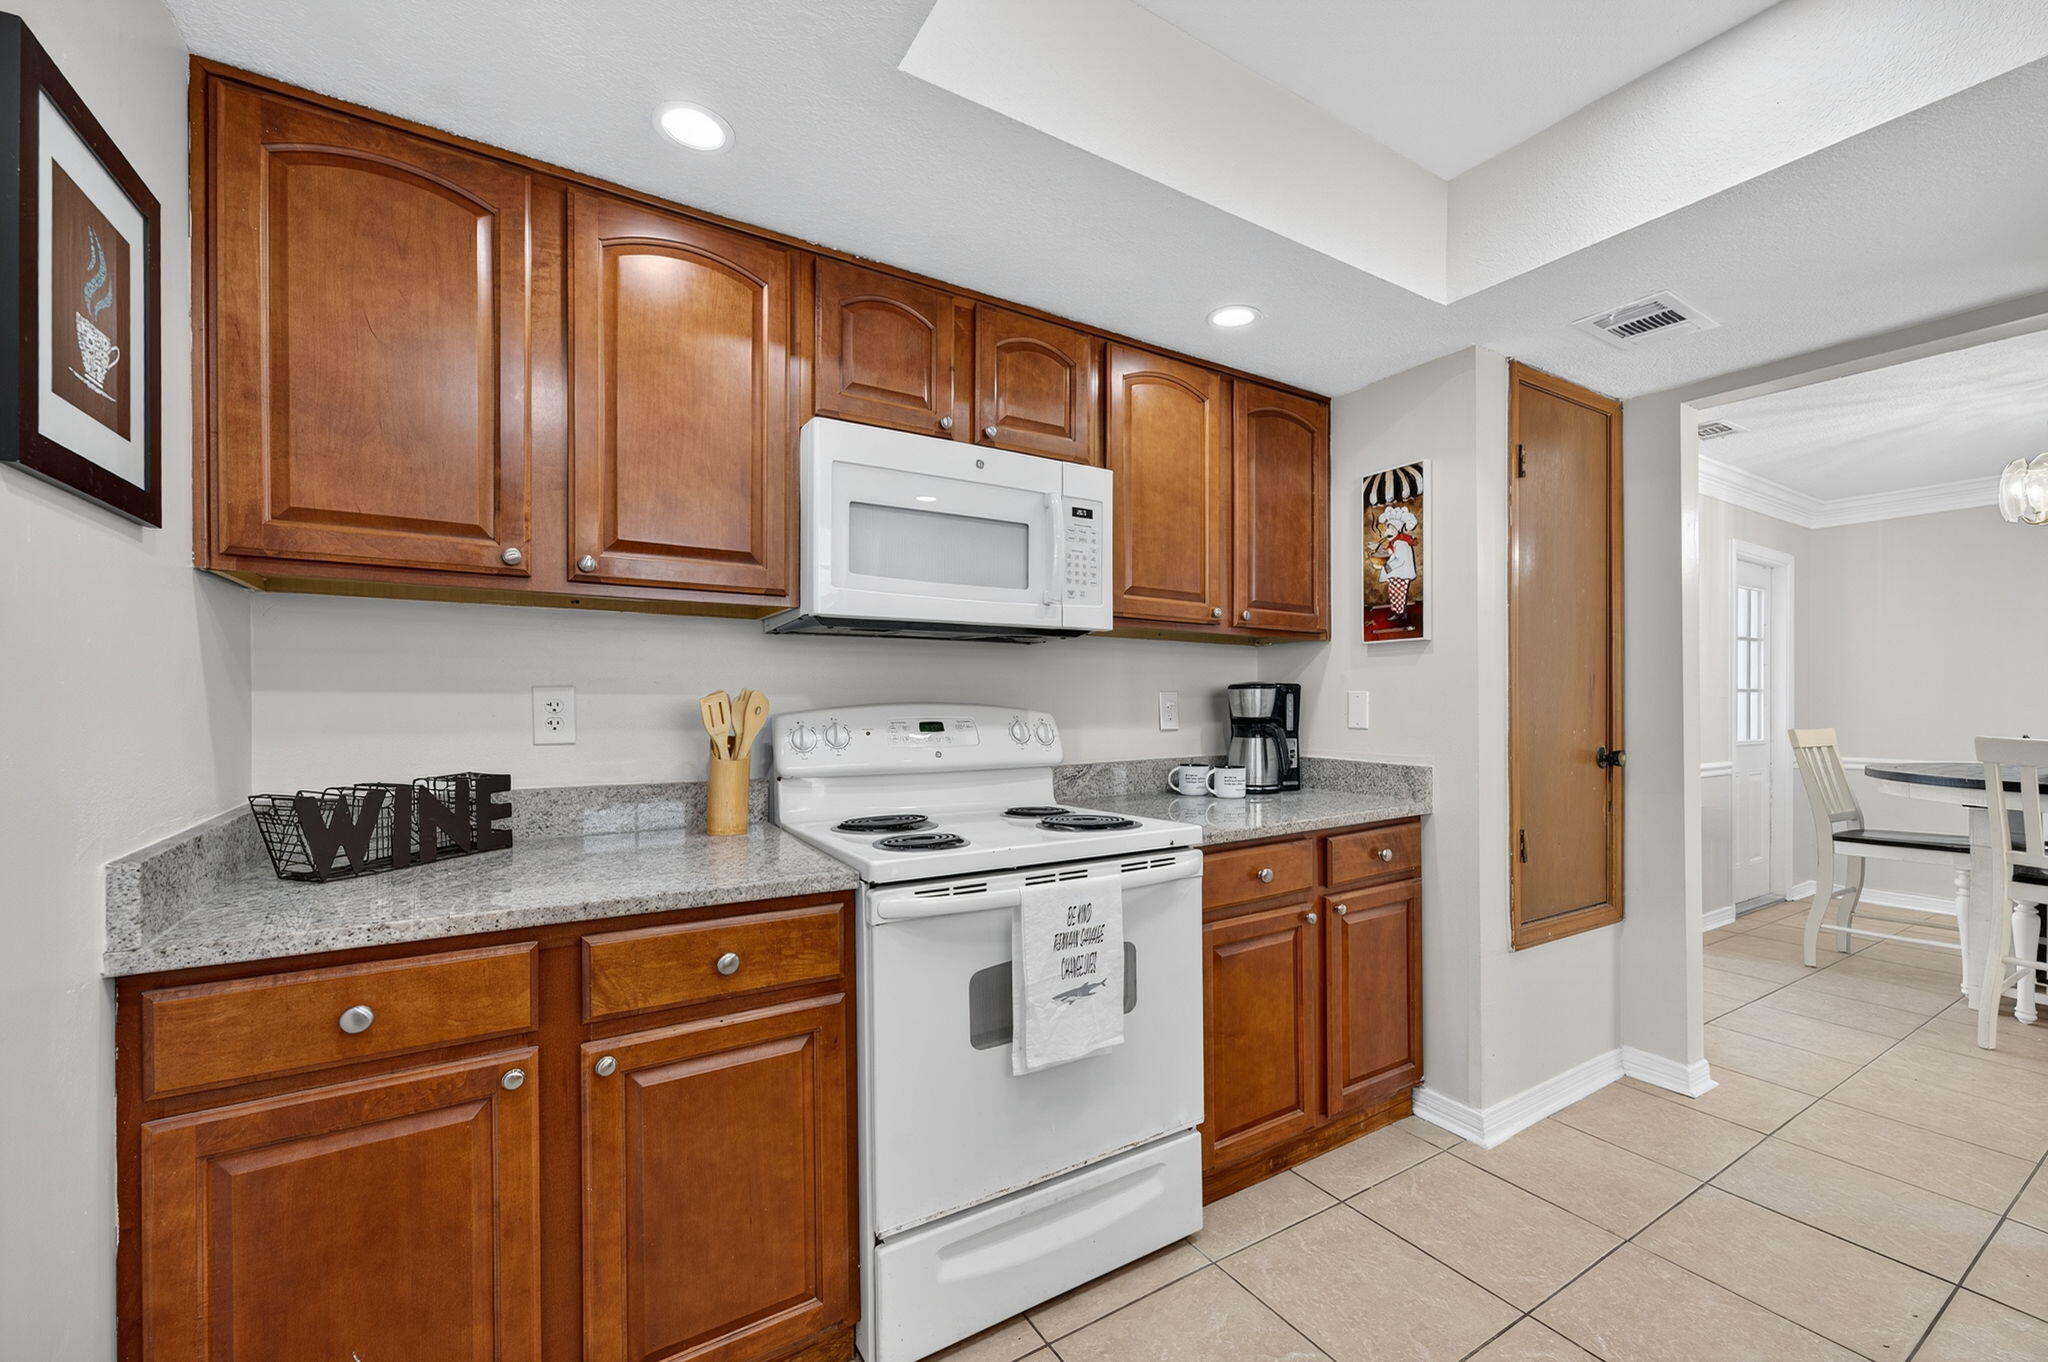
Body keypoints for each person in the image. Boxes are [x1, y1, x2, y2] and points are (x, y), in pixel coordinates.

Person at [1370, 504, 1419, 623]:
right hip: (1395, 574)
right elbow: (1389, 552)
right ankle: (1398, 611)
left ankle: (1399, 613)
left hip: (1400, 575)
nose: (1388, 531)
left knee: (1399, 594)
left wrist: (1387, 566)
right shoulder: (1394, 542)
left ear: (1397, 529)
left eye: (1392, 529)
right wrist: (1377, 548)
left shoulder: (1401, 543)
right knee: (1394, 593)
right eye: (1388, 528)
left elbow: (1400, 560)